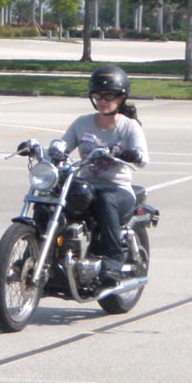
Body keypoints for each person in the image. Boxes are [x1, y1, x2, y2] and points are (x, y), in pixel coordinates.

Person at [61, 65, 149, 285]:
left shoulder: (129, 127)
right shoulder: (82, 123)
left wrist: (131, 154)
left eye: (109, 95)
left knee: (105, 199)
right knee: (53, 196)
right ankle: (39, 251)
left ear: (121, 97)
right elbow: (63, 145)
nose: (103, 100)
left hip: (118, 189)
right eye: (98, 96)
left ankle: (113, 261)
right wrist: (50, 151)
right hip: (87, 185)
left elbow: (143, 158)